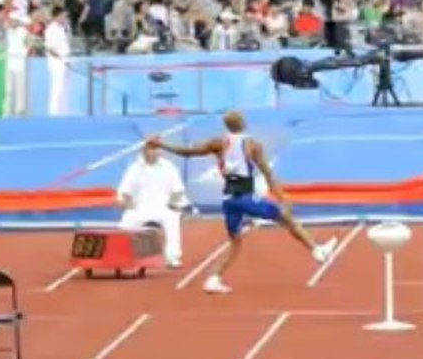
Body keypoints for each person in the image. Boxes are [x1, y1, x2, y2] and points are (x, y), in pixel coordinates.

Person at [149, 111, 339, 294]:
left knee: (236, 242)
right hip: (245, 197)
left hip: (229, 200)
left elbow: (188, 152)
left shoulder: (218, 143)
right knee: (285, 217)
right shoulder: (252, 145)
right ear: (243, 123)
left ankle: (214, 278)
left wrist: (162, 145)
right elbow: (267, 172)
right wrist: (281, 195)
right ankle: (316, 250)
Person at [117, 142, 189, 268]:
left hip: (163, 207)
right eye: (150, 149)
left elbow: (178, 190)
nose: (153, 152)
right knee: (126, 221)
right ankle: (122, 255)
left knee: (172, 217)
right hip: (140, 208)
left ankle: (173, 258)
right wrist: (129, 204)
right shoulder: (135, 168)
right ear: (144, 151)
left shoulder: (169, 167)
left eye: (156, 149)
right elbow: (125, 191)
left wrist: (172, 204)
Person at [44, 7, 71, 116]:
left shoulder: (64, 28)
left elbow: (67, 44)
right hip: (56, 62)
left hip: (66, 60)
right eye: (63, 16)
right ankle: (53, 113)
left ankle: (63, 112)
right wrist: (60, 57)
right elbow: (49, 48)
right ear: (57, 16)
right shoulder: (51, 29)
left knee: (65, 89)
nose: (65, 18)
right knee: (57, 88)